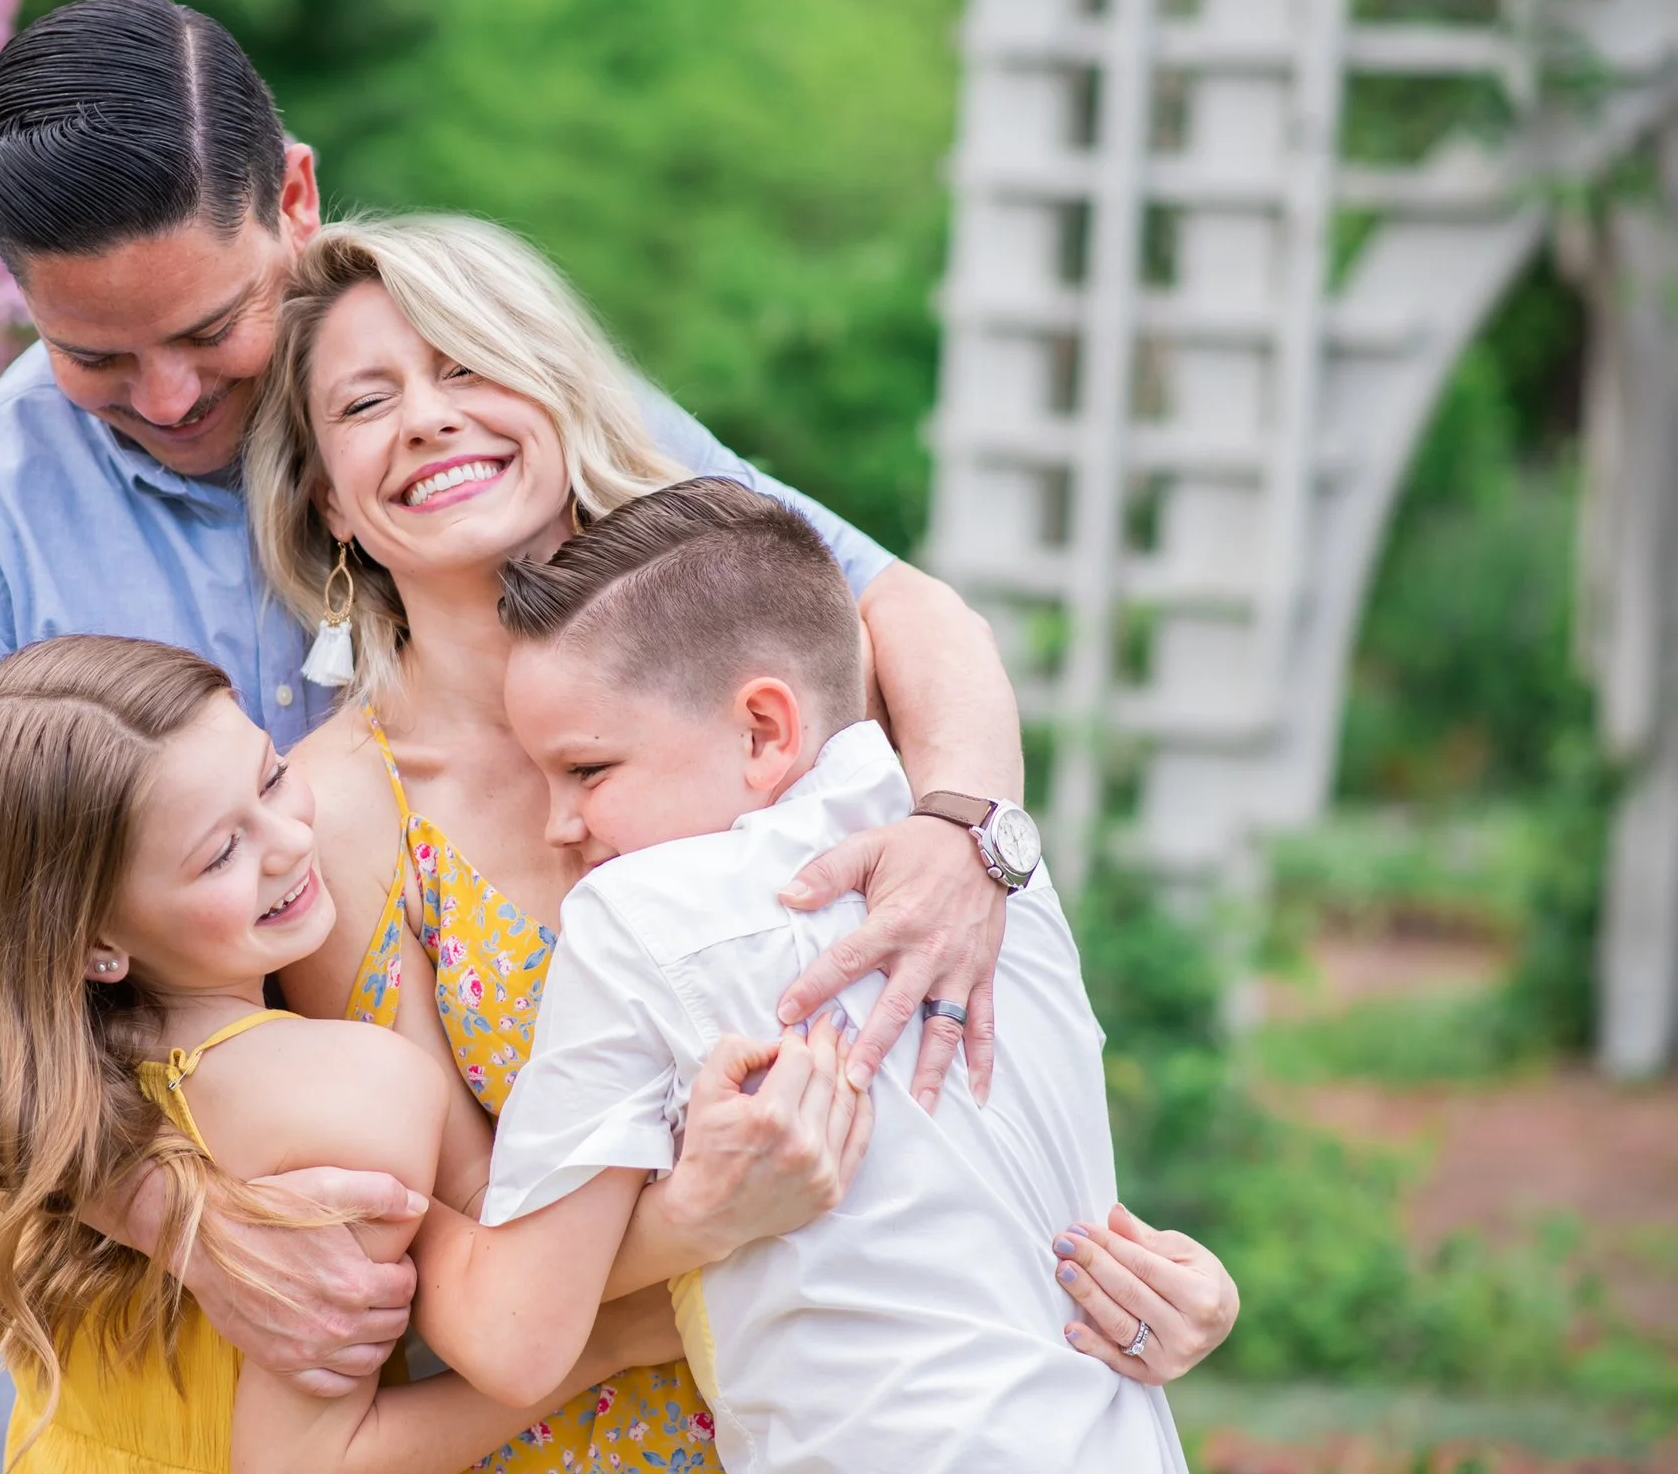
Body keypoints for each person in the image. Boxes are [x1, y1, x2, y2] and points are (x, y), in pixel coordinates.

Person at [0, 0, 1033, 1473]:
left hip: (457, 1383)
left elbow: (898, 608)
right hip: (62, 1379)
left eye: (209, 327)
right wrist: (180, 1221)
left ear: (298, 198)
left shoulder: (467, 391)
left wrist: (969, 834)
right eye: (95, 356)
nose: (173, 394)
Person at [245, 213, 1239, 1471]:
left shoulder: (767, 671)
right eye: (366, 403)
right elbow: (451, 1243)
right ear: (325, 500)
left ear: (557, 393)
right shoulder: (338, 814)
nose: (429, 417)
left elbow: (954, 1093)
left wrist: (1136, 1276)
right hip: (589, 1431)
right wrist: (697, 1224)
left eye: (467, 363)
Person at [0, 634, 791, 1473]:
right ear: (94, 945)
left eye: (272, 776)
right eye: (219, 854)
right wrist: (608, 1344)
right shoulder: (346, 1092)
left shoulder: (22, 1038)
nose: (291, 841)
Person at [413, 477, 1194, 1472]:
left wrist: (381, 1216)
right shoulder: (998, 867)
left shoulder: (641, 915)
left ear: (763, 731)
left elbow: (515, 1337)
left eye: (588, 771)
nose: (559, 826)